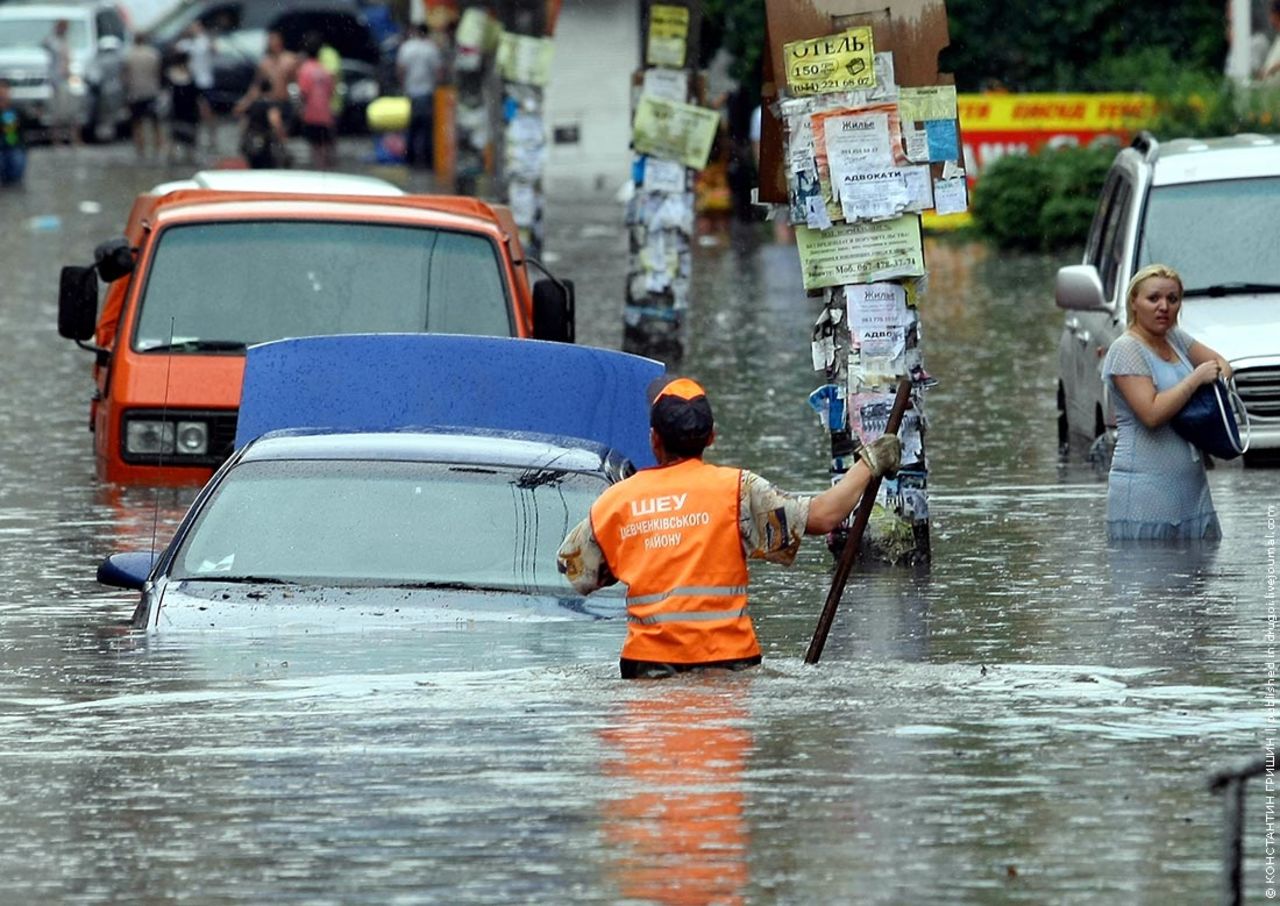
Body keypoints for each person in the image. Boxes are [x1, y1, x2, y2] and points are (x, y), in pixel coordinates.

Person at [557, 378, 902, 679]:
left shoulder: (615, 502)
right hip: (730, 665)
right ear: (711, 438)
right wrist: (869, 463)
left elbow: (574, 571)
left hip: (648, 669)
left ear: (653, 440)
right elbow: (823, 516)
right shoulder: (738, 490)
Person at [1102, 264, 1232, 542]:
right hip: (1144, 492)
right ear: (1134, 302)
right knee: (1150, 578)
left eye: (1172, 300)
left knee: (1199, 580)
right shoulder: (1125, 349)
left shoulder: (1175, 338)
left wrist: (1209, 398)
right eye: (1154, 299)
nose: (1164, 307)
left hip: (1192, 487)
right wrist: (1195, 380)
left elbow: (1222, 365)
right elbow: (1151, 413)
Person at [396, 24, 442, 169]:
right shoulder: (431, 49)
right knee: (427, 128)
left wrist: (403, 86)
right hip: (427, 92)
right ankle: (427, 160)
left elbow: (401, 70)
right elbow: (439, 71)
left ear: (415, 32)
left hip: (412, 92)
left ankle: (410, 159)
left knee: (412, 127)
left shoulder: (406, 48)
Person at [233, 29, 298, 122]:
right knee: (245, 119)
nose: (271, 43)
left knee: (274, 119)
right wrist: (245, 102)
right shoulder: (265, 63)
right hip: (268, 101)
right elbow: (256, 86)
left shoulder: (290, 60)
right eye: (269, 40)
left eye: (273, 39)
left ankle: (282, 135)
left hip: (284, 102)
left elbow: (297, 84)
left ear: (281, 41)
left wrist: (297, 103)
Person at [296, 33, 336, 169]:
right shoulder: (324, 70)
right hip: (325, 115)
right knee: (324, 146)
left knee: (314, 148)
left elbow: (303, 93)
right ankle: (326, 170)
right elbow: (331, 92)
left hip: (311, 114)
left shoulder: (305, 69)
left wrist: (300, 111)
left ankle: (318, 171)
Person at [123, 33, 164, 159]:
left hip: (135, 93)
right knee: (155, 123)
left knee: (137, 123)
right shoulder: (154, 54)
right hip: (151, 91)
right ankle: (158, 150)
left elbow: (125, 76)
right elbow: (159, 73)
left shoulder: (129, 55)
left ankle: (141, 151)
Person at [180, 20, 217, 149]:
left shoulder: (204, 41)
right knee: (192, 111)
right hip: (191, 81)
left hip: (205, 80)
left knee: (207, 110)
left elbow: (214, 50)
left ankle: (212, 137)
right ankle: (194, 138)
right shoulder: (187, 43)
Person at [42, 20, 78, 146]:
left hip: (66, 79)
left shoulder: (65, 41)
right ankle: (57, 140)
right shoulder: (53, 41)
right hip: (56, 81)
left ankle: (72, 139)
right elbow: (45, 44)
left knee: (70, 110)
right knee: (57, 111)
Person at [239, 77, 288, 168]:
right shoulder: (270, 104)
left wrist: (250, 96)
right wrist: (281, 136)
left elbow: (239, 112)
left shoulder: (253, 103)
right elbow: (275, 122)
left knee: (254, 166)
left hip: (252, 139)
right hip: (265, 141)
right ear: (271, 89)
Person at [165, 51, 200, 164]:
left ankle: (174, 156)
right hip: (187, 109)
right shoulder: (189, 74)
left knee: (175, 135)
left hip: (179, 108)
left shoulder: (171, 74)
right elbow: (196, 93)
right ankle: (188, 156)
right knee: (187, 135)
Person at [0, 80, 33, 186]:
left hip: (14, 147)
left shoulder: (16, 111)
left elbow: (27, 127)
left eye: (5, 91)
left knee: (16, 161)